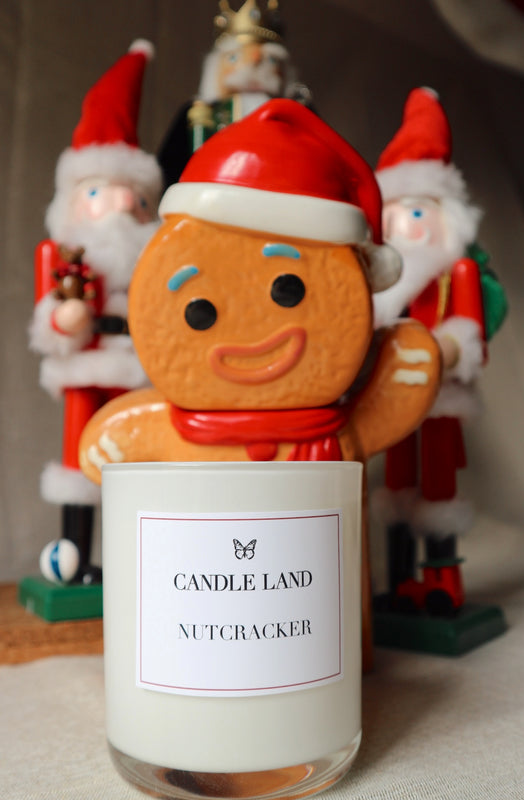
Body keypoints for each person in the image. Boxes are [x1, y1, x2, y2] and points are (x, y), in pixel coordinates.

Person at [28, 40, 163, 585]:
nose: (124, 207)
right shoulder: (61, 254)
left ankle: (140, 560)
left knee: (139, 457)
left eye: (135, 195)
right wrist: (66, 320)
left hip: (139, 365)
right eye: (106, 192)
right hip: (87, 367)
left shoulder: (154, 254)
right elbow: (50, 316)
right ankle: (77, 556)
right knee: (80, 459)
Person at [373, 86, 506, 615]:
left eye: (415, 212)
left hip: (440, 396)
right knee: (398, 480)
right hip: (394, 396)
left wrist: (446, 350)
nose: (402, 226)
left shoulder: (459, 270)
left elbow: (469, 330)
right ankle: (401, 579)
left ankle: (443, 578)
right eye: (392, 214)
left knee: (439, 484)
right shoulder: (383, 285)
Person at [157, 0, 312, 189]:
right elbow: (169, 171)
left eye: (270, 60)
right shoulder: (198, 112)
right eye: (234, 58)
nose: (253, 64)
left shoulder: (298, 114)